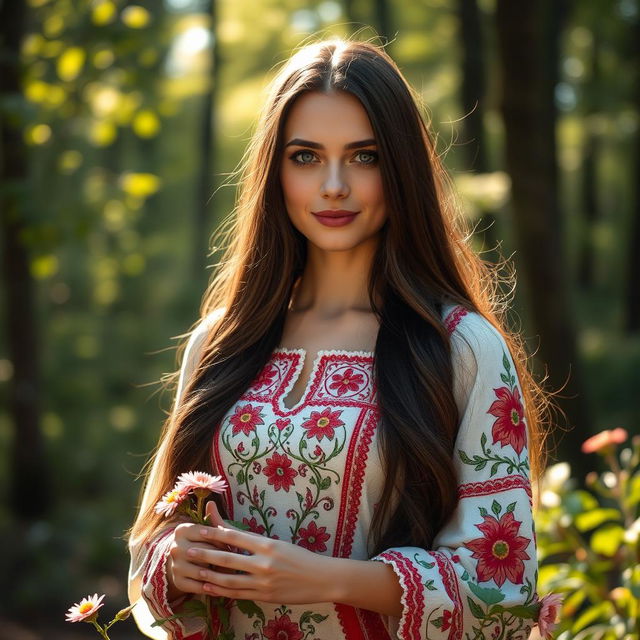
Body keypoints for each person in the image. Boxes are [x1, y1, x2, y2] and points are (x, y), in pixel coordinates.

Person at [126, 35, 553, 640]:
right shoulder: (220, 342)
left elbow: (502, 594)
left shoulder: (463, 349)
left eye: (364, 156)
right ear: (274, 172)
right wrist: (175, 558)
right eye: (305, 157)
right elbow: (146, 550)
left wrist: (327, 579)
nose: (333, 185)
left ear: (400, 167)